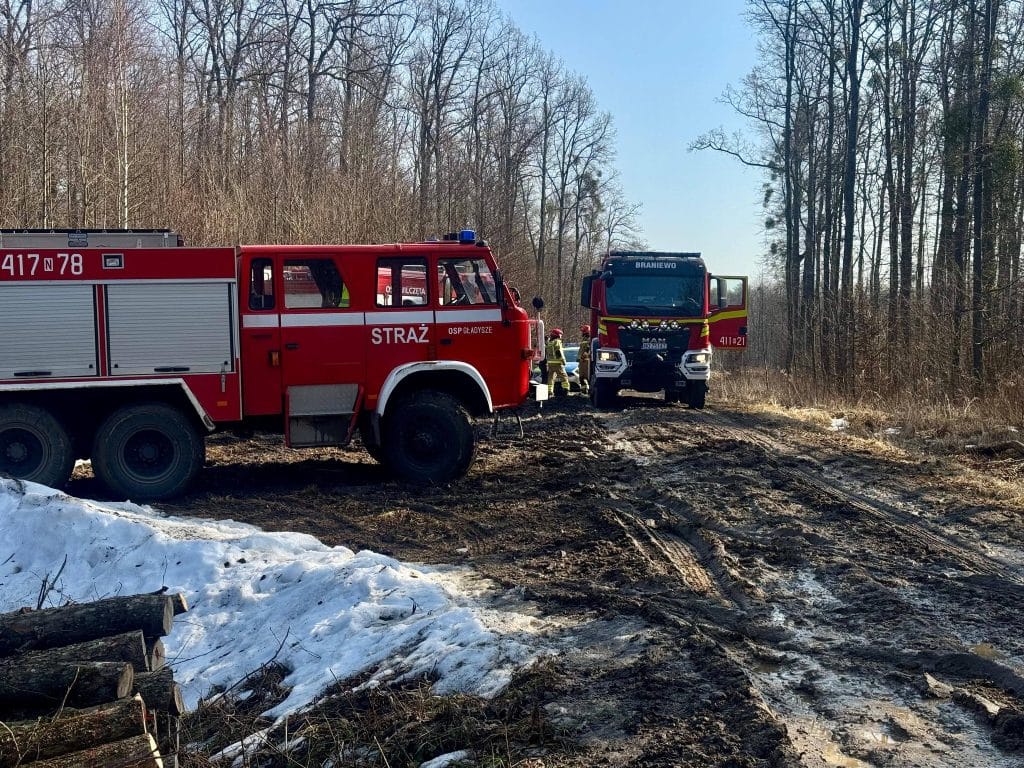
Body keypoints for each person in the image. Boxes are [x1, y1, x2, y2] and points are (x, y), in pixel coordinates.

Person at [545, 328, 570, 397]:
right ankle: (566, 390)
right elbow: (558, 352)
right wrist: (563, 360)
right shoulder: (557, 341)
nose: (560, 336)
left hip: (550, 363)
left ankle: (549, 391)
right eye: (560, 335)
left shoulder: (550, 342)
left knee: (551, 378)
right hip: (557, 363)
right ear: (557, 335)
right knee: (564, 376)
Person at [578, 324, 592, 395]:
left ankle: (589, 391)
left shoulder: (589, 338)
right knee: (581, 377)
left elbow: (588, 348)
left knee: (587, 376)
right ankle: (584, 391)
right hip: (582, 361)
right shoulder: (584, 339)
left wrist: (585, 354)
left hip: (586, 361)